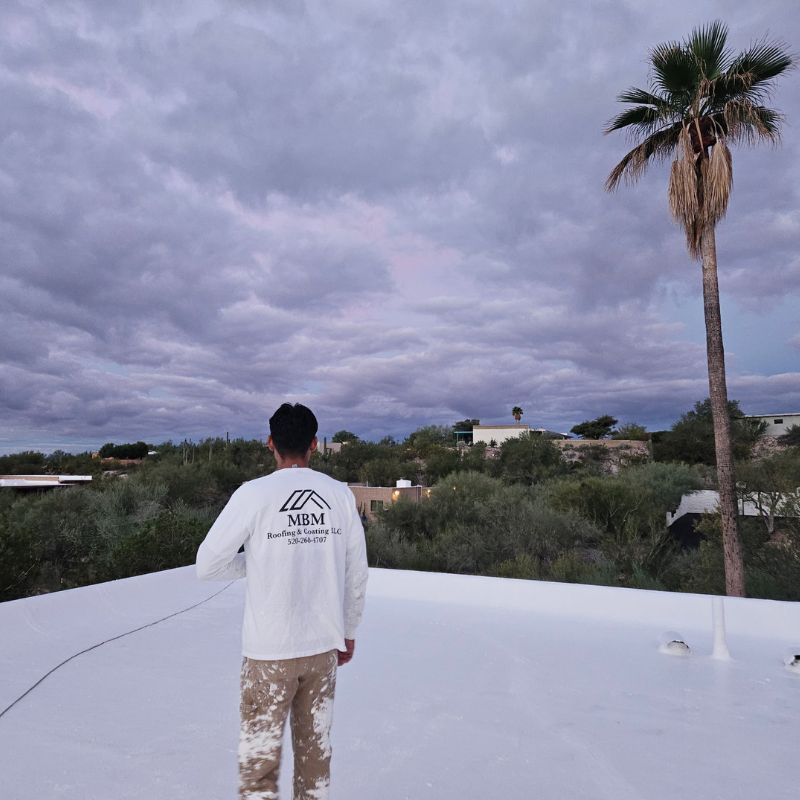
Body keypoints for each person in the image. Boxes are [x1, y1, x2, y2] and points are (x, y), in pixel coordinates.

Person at [196, 403, 369, 800]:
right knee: (315, 759)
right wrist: (350, 631)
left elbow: (208, 565)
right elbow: (355, 572)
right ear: (314, 445)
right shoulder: (339, 494)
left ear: (270, 443)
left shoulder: (253, 494)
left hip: (268, 655)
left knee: (259, 770)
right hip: (324, 648)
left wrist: (254, 560)